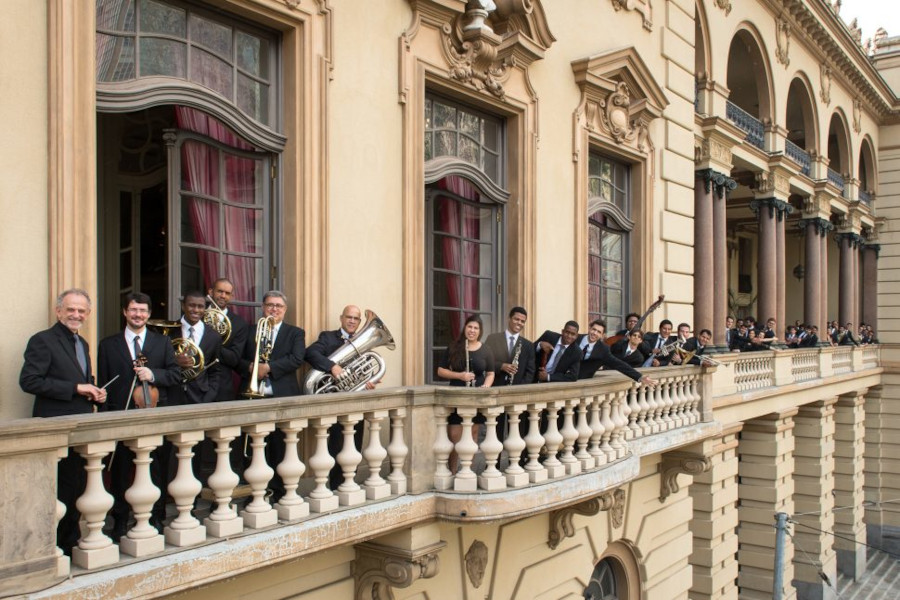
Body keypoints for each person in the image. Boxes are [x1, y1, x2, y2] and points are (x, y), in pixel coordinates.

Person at [20, 289, 108, 555]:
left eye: (81, 311)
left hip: (81, 429)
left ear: (88, 314)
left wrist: (95, 391)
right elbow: (29, 381)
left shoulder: (83, 344)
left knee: (77, 488)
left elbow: (84, 381)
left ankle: (69, 544)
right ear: (58, 311)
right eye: (71, 309)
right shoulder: (42, 341)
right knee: (56, 492)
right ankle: (52, 548)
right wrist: (76, 388)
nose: (76, 315)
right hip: (54, 429)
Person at [98, 292, 181, 538]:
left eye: (143, 311)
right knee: (121, 471)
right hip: (121, 415)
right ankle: (121, 519)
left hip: (154, 415)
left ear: (148, 314)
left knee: (155, 469)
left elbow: (175, 375)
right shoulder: (108, 345)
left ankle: (156, 516)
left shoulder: (161, 343)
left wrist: (153, 375)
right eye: (133, 310)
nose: (138, 315)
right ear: (125, 312)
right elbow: (104, 383)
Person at [240, 290, 306, 501]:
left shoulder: (295, 333)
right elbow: (236, 359)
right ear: (263, 307)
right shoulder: (251, 331)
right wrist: (251, 367)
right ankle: (256, 492)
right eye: (270, 305)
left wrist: (268, 367)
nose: (274, 309)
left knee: (280, 447)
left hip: (282, 397)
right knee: (256, 447)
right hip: (254, 397)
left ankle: (278, 492)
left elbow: (297, 358)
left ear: (285, 310)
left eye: (278, 306)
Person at [306, 305, 374, 488]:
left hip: (355, 403)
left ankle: (349, 484)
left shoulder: (364, 342)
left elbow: (365, 370)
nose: (352, 321)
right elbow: (310, 353)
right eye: (349, 317)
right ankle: (335, 486)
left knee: (355, 445)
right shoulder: (327, 337)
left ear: (359, 322)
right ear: (341, 318)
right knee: (336, 446)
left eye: (356, 318)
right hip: (334, 401)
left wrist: (367, 382)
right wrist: (332, 366)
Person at [436, 315, 495, 468]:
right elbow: (441, 371)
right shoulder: (454, 347)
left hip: (476, 398)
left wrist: (486, 386)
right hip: (456, 397)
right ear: (465, 328)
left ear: (480, 331)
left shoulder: (486, 349)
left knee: (473, 435)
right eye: (470, 327)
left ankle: (467, 471)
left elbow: (490, 373)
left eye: (476, 328)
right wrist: (460, 376)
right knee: (454, 436)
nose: (472, 330)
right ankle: (453, 470)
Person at [169, 290, 222, 405]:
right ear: (183, 306)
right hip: (172, 395)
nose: (196, 310)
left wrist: (209, 396)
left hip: (201, 397)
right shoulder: (169, 331)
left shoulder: (214, 336)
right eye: (192, 305)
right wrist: (175, 361)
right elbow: (159, 363)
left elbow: (215, 371)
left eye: (200, 306)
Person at [207, 278, 250, 402]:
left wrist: (211, 342)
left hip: (221, 386)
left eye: (227, 293)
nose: (223, 296)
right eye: (220, 291)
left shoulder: (239, 324)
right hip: (194, 384)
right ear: (211, 292)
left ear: (231, 296)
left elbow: (233, 359)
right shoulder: (198, 315)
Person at [578, 319, 656, 386]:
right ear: (589, 328)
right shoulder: (576, 338)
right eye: (593, 329)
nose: (595, 333)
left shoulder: (603, 349)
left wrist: (639, 377)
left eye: (599, 332)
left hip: (582, 383)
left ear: (602, 335)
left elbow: (619, 364)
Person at [483, 306, 536, 386]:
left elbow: (530, 372)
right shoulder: (492, 338)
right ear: (509, 319)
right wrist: (501, 366)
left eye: (522, 321)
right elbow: (484, 361)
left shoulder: (528, 345)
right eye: (516, 319)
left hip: (517, 392)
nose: (519, 323)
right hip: (494, 387)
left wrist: (520, 389)